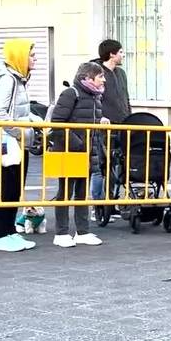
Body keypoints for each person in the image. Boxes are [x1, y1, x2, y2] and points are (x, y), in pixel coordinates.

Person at [0, 39, 43, 252]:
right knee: (8, 186)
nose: (35, 58)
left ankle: (9, 231)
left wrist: (36, 122)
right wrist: (19, 132)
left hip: (19, 140)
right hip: (10, 141)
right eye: (31, 55)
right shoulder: (8, 79)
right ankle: (0, 234)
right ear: (19, 56)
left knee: (15, 187)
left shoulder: (18, 79)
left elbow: (19, 111)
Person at [49, 62, 108, 248]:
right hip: (70, 151)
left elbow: (88, 119)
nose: (103, 80)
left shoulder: (95, 97)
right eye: (100, 76)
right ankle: (61, 232)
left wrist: (101, 121)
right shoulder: (71, 93)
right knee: (65, 192)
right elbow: (57, 122)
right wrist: (78, 143)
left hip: (88, 152)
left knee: (82, 192)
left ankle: (82, 231)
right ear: (88, 78)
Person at [90, 40, 132, 208]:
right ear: (112, 54)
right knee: (100, 166)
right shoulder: (97, 73)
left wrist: (130, 117)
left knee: (117, 164)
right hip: (103, 127)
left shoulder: (121, 73)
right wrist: (99, 117)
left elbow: (125, 97)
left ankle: (111, 203)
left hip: (121, 125)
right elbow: (92, 98)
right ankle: (98, 205)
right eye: (120, 52)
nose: (123, 55)